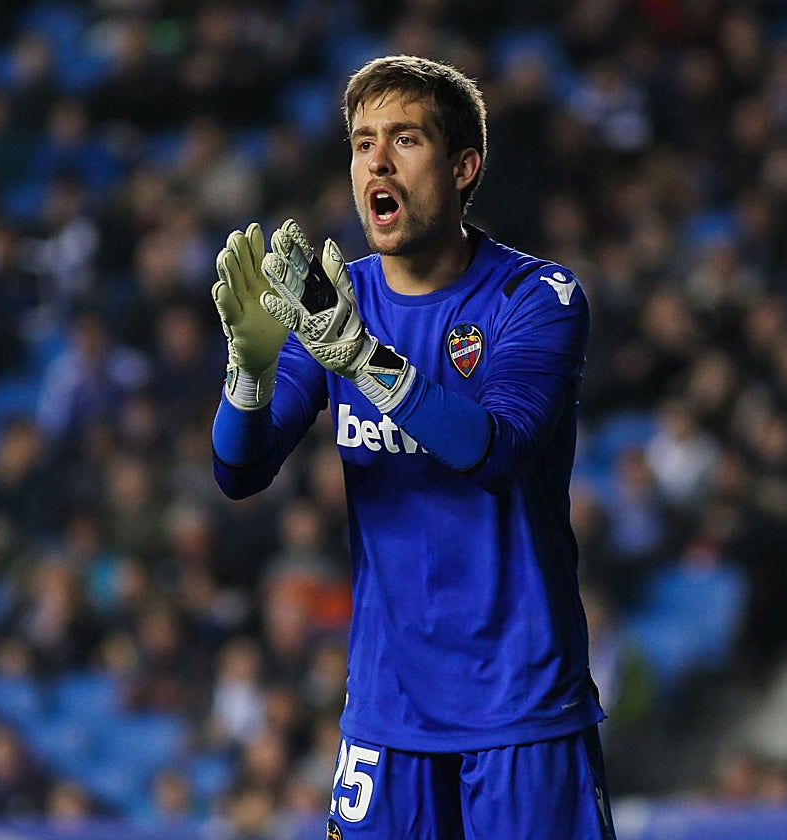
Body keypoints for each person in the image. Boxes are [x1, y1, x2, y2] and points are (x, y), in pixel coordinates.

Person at [209, 55, 615, 838]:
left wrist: (364, 360)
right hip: (387, 714)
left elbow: (496, 449)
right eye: (363, 143)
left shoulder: (535, 298)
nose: (378, 162)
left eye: (405, 139)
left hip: (521, 709)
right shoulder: (339, 300)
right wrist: (249, 373)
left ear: (464, 167)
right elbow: (239, 470)